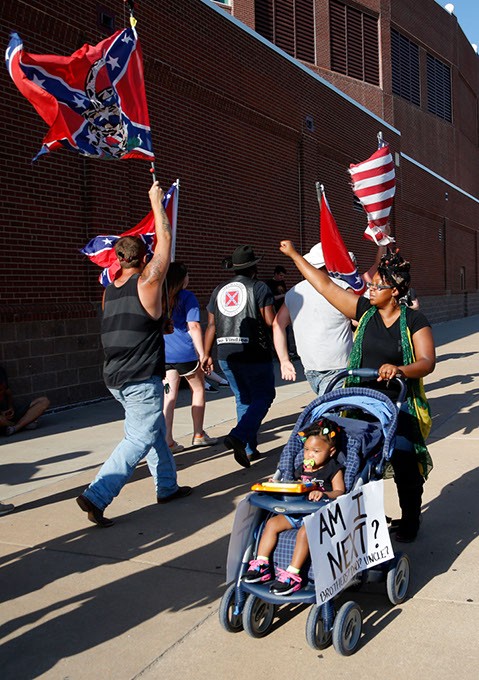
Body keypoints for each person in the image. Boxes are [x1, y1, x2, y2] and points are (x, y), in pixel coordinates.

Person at [280, 241, 435, 542]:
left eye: (378, 286)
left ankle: (411, 521)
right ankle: (363, 520)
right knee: (356, 463)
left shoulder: (414, 320)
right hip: (360, 403)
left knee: (404, 460)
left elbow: (427, 361)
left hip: (396, 402)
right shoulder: (364, 312)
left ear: (395, 292)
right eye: (372, 285)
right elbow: (324, 285)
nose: (370, 290)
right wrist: (294, 255)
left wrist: (400, 369)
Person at [76, 182, 192, 528]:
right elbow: (166, 247)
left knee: (153, 430)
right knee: (139, 437)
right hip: (140, 378)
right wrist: (157, 203)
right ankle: (96, 495)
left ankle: (167, 487)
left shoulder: (109, 292)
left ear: (118, 260)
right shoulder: (148, 282)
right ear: (143, 259)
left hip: (115, 376)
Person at [242, 418, 345, 595]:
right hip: (297, 512)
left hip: (319, 516)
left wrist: (324, 494)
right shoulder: (301, 468)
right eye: (306, 450)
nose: (309, 455)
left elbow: (340, 491)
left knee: (305, 533)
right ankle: (262, 564)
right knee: (271, 524)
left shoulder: (333, 468)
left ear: (331, 451)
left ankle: (293, 574)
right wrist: (277, 484)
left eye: (316, 451)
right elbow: (294, 485)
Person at [202, 245, 276, 468]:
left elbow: (212, 324)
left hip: (226, 352)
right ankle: (239, 435)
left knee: (243, 398)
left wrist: (206, 354)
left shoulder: (219, 290)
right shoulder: (260, 288)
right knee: (263, 397)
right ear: (254, 266)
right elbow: (270, 321)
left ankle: (249, 448)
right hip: (254, 352)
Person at [273, 243, 354, 395]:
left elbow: (277, 325)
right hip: (338, 366)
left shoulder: (293, 292)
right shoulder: (343, 288)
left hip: (311, 367)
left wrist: (284, 360)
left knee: (331, 413)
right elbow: (361, 320)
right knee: (333, 415)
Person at [163, 261, 218, 453]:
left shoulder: (159, 297)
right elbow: (193, 326)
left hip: (164, 354)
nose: (189, 278)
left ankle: (168, 439)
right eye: (186, 275)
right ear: (181, 278)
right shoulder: (188, 297)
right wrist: (203, 354)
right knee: (198, 389)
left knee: (169, 396)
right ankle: (198, 434)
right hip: (185, 353)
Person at [0, 366, 50, 436]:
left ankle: (16, 427)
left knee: (44, 401)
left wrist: (10, 407)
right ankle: (23, 424)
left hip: (10, 414)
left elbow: (8, 392)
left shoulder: (1, 370)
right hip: (2, 420)